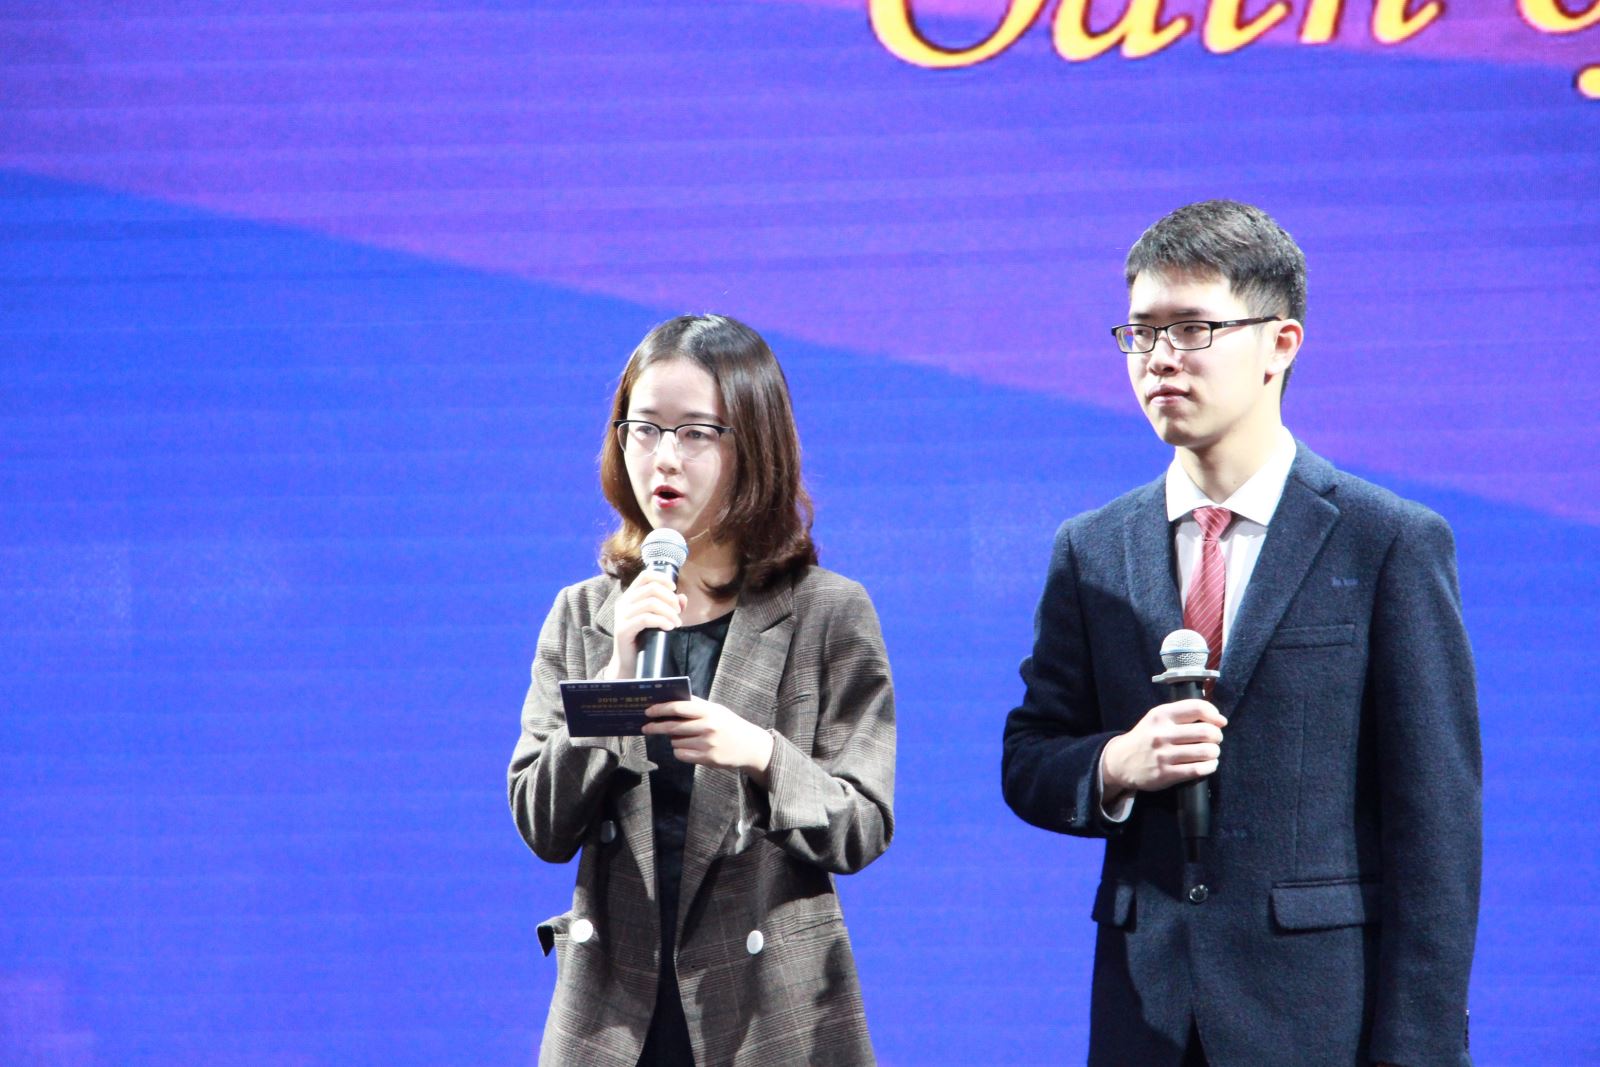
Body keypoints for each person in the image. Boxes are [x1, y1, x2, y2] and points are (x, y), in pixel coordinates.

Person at [1001, 201, 1481, 1066]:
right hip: (1144, 1018)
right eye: (1141, 331)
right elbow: (1030, 757)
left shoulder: (1387, 543)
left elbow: (1435, 833)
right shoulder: (1092, 548)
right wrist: (1117, 764)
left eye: (1193, 328)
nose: (1160, 357)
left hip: (1318, 1020)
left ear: (1280, 343)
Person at [508, 314, 895, 1066]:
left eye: (694, 432)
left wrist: (761, 753)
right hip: (615, 1018)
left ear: (753, 444)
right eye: (644, 429)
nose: (664, 457)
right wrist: (615, 677)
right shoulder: (584, 615)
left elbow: (863, 825)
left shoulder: (826, 612)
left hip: (769, 1017)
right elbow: (540, 823)